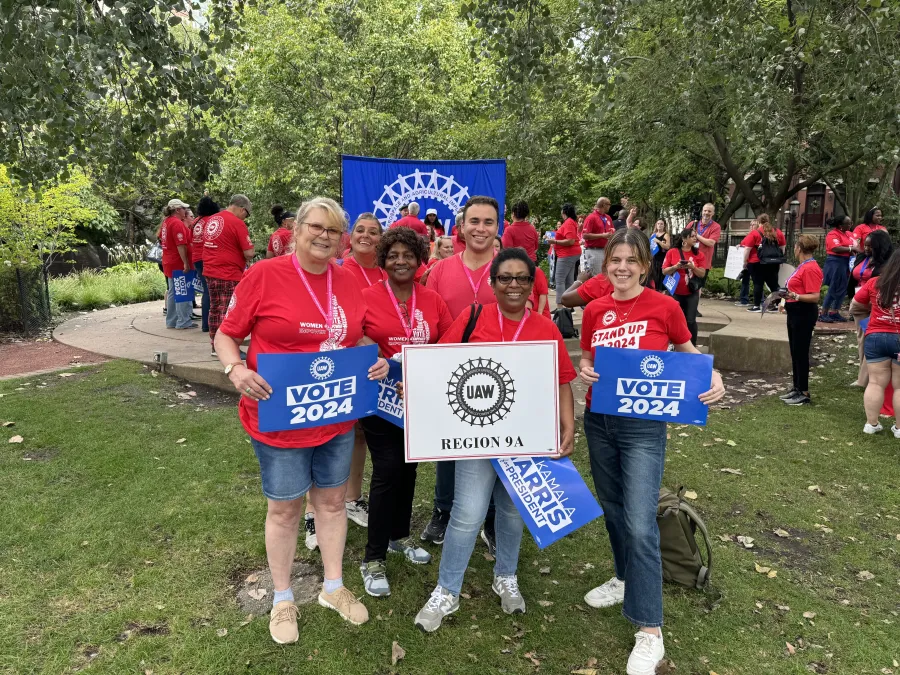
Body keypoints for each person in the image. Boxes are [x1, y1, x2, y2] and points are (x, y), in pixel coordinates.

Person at [214, 197, 390, 644]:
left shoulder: (349, 280)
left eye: (334, 230)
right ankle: (283, 597)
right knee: (286, 508)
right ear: (298, 229)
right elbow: (227, 334)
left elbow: (363, 332)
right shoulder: (264, 275)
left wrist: (379, 361)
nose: (325, 236)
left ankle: (333, 587)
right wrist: (236, 369)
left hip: (334, 416)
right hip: (279, 418)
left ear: (342, 238)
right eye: (317, 226)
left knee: (332, 504)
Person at [578, 228, 725, 675]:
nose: (621, 267)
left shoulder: (665, 307)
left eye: (630, 260)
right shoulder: (595, 310)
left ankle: (650, 632)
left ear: (645, 264)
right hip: (598, 420)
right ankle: (625, 578)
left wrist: (712, 378)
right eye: (614, 260)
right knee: (613, 508)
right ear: (606, 267)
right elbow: (588, 359)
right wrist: (585, 371)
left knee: (641, 524)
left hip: (643, 426)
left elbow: (687, 351)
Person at [414, 247, 577, 632]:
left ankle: (506, 575)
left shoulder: (544, 327)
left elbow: (563, 380)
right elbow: (438, 364)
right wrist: (415, 385)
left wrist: (568, 425)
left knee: (511, 511)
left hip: (528, 439)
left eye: (523, 278)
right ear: (493, 283)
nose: (514, 285)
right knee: (467, 512)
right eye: (506, 278)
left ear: (532, 283)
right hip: (477, 436)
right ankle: (446, 590)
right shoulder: (474, 318)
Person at [358, 227, 453, 596]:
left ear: (419, 259)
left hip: (417, 397)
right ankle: (373, 557)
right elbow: (351, 332)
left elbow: (446, 340)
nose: (400, 261)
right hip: (379, 397)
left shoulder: (432, 299)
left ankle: (399, 536)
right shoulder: (366, 295)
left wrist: (420, 372)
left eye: (408, 255)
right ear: (384, 259)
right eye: (393, 255)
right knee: (387, 469)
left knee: (410, 467)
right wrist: (375, 352)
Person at [301, 212, 386, 551]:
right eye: (360, 230)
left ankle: (352, 499)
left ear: (381, 237)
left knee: (357, 433)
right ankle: (311, 513)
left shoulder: (384, 272)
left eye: (374, 231)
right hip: (331, 361)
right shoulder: (341, 270)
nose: (366, 236)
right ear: (351, 237)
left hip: (367, 362)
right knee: (317, 433)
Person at [421, 195, 500, 548]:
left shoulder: (510, 266)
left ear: (497, 227)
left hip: (499, 371)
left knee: (498, 444)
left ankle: (494, 517)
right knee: (449, 446)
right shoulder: (439, 270)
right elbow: (429, 322)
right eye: (474, 222)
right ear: (461, 227)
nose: (480, 229)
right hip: (449, 369)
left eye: (488, 222)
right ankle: (443, 510)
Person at [850, 248, 900, 436]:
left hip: (875, 336)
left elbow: (856, 303)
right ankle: (899, 428)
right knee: (899, 386)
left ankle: (871, 424)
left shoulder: (874, 283)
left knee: (876, 383)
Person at [204, 194, 255, 357]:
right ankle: (227, 349)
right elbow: (249, 252)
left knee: (215, 309)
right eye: (246, 214)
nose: (245, 218)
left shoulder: (212, 219)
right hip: (228, 273)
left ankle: (215, 345)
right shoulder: (237, 223)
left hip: (210, 270)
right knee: (228, 311)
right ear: (242, 209)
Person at [779, 235, 824, 406]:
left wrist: (794, 296)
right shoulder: (802, 266)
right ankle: (796, 387)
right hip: (794, 311)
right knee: (795, 351)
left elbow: (814, 296)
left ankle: (803, 391)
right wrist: (784, 300)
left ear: (799, 248)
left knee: (801, 352)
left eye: (796, 245)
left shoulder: (811, 268)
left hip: (804, 313)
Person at [849, 230, 894, 387]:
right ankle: (863, 375)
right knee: (862, 339)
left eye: (870, 246)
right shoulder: (862, 257)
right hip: (860, 304)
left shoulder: (888, 264)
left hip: (876, 304)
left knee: (872, 340)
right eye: (865, 245)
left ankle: (868, 379)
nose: (866, 248)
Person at [662, 227, 707, 345]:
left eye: (695, 236)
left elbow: (702, 274)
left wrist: (693, 268)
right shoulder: (672, 252)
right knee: (674, 320)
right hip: (675, 292)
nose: (695, 238)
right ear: (684, 239)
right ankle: (673, 344)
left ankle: (692, 345)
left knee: (690, 320)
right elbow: (664, 271)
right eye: (692, 236)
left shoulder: (699, 254)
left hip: (691, 292)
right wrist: (675, 267)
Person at [161, 198, 195, 330]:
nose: (185, 211)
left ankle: (172, 320)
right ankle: (183, 321)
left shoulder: (166, 222)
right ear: (177, 210)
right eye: (183, 208)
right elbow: (181, 245)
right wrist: (186, 263)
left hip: (169, 261)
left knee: (173, 292)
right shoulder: (177, 224)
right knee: (183, 291)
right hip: (177, 262)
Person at [740, 214, 785, 313]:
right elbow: (782, 247)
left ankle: (756, 306)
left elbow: (747, 249)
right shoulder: (777, 232)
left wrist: (745, 262)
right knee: (774, 285)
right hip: (773, 263)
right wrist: (779, 258)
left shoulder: (754, 233)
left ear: (759, 222)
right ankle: (778, 305)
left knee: (758, 284)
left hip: (756, 262)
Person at [191, 196, 219, 332]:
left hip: (196, 258)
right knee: (209, 290)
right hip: (207, 258)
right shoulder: (211, 221)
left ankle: (205, 323)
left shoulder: (196, 221)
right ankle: (207, 324)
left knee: (205, 289)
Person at [819, 215, 853, 322]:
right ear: (840, 225)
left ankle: (834, 311)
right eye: (848, 223)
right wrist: (851, 248)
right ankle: (823, 313)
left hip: (846, 262)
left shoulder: (848, 234)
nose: (850, 225)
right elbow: (835, 248)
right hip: (836, 262)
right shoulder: (832, 234)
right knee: (834, 287)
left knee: (842, 288)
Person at [553, 204, 582, 305]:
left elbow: (570, 241)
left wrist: (555, 242)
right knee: (569, 280)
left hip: (567, 254)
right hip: (571, 254)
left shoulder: (569, 223)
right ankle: (570, 304)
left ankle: (560, 306)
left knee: (560, 279)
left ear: (564, 212)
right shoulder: (571, 222)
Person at [582, 197, 614, 275]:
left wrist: (612, 233)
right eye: (609, 204)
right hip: (594, 250)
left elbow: (612, 229)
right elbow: (585, 235)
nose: (610, 206)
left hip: (606, 250)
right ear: (603, 205)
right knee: (597, 276)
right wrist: (602, 236)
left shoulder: (608, 217)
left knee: (607, 276)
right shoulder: (591, 217)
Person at [690, 203, 721, 271]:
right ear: (702, 211)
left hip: (703, 263)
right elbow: (684, 237)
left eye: (709, 211)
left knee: (699, 281)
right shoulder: (692, 223)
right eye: (705, 210)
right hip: (690, 260)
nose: (706, 213)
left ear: (713, 213)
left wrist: (696, 235)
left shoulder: (716, 226)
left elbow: (711, 243)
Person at [649, 219, 671, 290]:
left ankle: (662, 291)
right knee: (654, 276)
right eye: (658, 223)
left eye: (661, 224)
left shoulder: (666, 235)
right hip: (654, 258)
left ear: (664, 225)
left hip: (662, 258)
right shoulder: (653, 234)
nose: (659, 225)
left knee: (661, 276)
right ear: (656, 225)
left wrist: (658, 241)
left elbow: (667, 246)